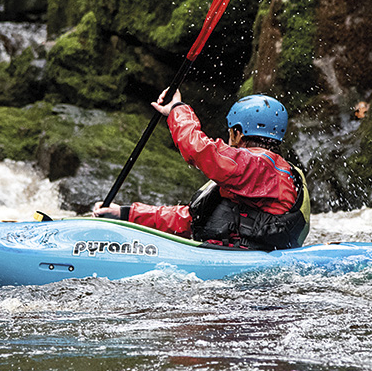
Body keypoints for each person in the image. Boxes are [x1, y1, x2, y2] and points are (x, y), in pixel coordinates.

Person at [92, 89, 310, 250]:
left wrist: (177, 110)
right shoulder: (259, 173)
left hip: (242, 263)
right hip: (229, 256)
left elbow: (198, 150)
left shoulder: (257, 167)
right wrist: (125, 213)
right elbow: (191, 219)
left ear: (238, 133)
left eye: (230, 132)